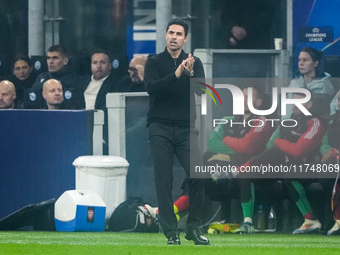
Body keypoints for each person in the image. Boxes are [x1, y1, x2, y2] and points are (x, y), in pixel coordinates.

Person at [144, 19, 209, 245]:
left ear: (185, 38)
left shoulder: (194, 62)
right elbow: (152, 88)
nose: (174, 37)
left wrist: (189, 74)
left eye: (178, 34)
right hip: (159, 127)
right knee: (164, 180)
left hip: (185, 128)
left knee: (198, 175)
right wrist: (177, 75)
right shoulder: (154, 61)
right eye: (170, 33)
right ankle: (171, 232)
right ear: (165, 36)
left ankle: (194, 228)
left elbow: (202, 92)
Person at [235, 92, 326, 234]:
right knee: (249, 173)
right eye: (293, 101)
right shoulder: (287, 122)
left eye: (299, 102)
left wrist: (281, 142)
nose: (294, 105)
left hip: (308, 165)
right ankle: (248, 223)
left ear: (309, 104)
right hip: (282, 163)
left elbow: (298, 150)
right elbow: (270, 146)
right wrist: (284, 144)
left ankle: (311, 220)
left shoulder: (315, 123)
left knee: (288, 170)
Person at [27, 45, 84, 109]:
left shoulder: (75, 80)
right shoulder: (41, 78)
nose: (50, 62)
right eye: (48, 58)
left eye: (55, 58)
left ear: (65, 61)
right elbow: (31, 100)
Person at [285, 47, 334, 119]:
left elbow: (325, 110)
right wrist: (285, 123)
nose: (301, 63)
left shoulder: (325, 84)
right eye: (299, 60)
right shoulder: (294, 83)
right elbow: (287, 108)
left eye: (305, 60)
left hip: (317, 123)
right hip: (294, 123)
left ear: (315, 63)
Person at [320, 92, 340, 235]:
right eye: (339, 99)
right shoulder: (332, 120)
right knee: (325, 176)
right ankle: (332, 220)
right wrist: (327, 150)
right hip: (334, 161)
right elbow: (324, 142)